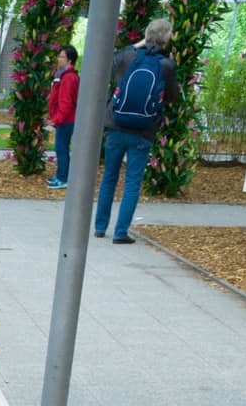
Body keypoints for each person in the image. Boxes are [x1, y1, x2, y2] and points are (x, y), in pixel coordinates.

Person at [94, 17, 179, 245]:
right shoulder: (166, 65)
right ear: (167, 37)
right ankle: (121, 232)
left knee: (109, 177)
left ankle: (100, 227)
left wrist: (137, 45)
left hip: (116, 125)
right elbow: (172, 97)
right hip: (143, 130)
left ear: (146, 35)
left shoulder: (128, 56)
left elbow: (109, 63)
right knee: (132, 181)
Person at [46, 44, 79, 190]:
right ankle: (60, 176)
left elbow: (65, 103)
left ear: (70, 60)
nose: (59, 59)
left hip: (67, 120)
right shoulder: (64, 76)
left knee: (61, 148)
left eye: (62, 56)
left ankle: (63, 178)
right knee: (61, 148)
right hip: (65, 119)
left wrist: (56, 120)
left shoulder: (68, 78)